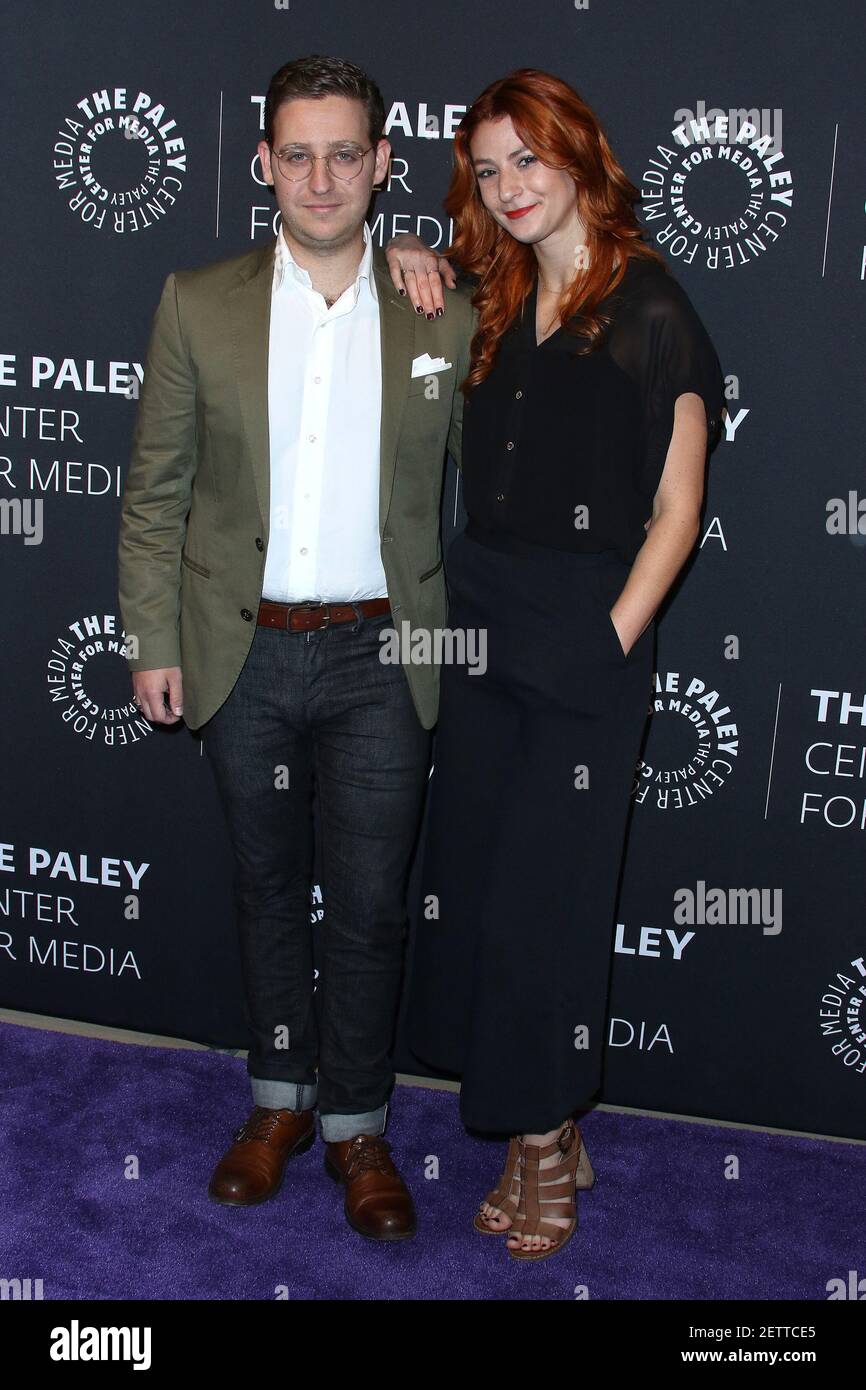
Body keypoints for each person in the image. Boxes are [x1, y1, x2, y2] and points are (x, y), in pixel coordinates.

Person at [117, 54, 474, 1241]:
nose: (322, 176)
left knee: (371, 906)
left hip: (382, 656)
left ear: (381, 164)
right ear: (264, 162)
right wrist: (148, 636)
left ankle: (356, 1126)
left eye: (346, 152)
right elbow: (154, 490)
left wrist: (432, 259)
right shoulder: (195, 301)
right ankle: (275, 1104)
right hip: (242, 652)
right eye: (298, 153)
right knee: (267, 894)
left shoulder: (443, 305)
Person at [384, 67, 724, 1260]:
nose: (509, 187)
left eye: (527, 158)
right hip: (476, 620)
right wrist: (404, 251)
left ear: (578, 154)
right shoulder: (493, 288)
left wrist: (608, 639)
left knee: (548, 908)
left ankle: (538, 1143)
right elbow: (382, 268)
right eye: (486, 170)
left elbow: (675, 512)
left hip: (586, 633)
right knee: (474, 891)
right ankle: (551, 1132)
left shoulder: (653, 306)